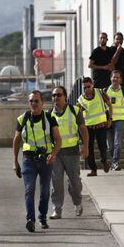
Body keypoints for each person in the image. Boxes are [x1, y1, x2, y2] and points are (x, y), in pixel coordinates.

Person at [12, 90, 61, 232]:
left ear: (42, 103)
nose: (33, 103)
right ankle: (30, 220)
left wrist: (53, 154)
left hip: (46, 159)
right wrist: (15, 162)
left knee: (45, 191)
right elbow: (16, 141)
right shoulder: (22, 119)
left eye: (36, 101)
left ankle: (42, 217)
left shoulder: (50, 118)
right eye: (31, 101)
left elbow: (58, 140)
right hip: (28, 159)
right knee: (29, 189)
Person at [49, 86, 89, 219]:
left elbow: (83, 130)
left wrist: (86, 146)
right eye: (54, 95)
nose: (56, 98)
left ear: (65, 97)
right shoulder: (49, 115)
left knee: (75, 183)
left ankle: (77, 203)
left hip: (72, 153)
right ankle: (57, 208)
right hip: (56, 154)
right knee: (56, 183)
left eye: (59, 95)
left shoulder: (74, 110)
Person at [77, 77, 112, 176]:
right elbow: (78, 114)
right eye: (84, 88)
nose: (87, 89)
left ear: (92, 85)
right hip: (88, 128)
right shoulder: (80, 100)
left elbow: (109, 105)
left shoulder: (101, 93)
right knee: (89, 148)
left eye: (88, 86)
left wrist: (110, 119)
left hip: (101, 125)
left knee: (103, 147)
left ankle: (104, 161)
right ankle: (93, 169)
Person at [104, 70, 124, 171]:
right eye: (114, 77)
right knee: (110, 146)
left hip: (120, 120)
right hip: (108, 121)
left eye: (117, 77)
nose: (115, 79)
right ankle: (113, 162)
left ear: (120, 79)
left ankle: (115, 162)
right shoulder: (105, 91)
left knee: (118, 143)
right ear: (110, 78)